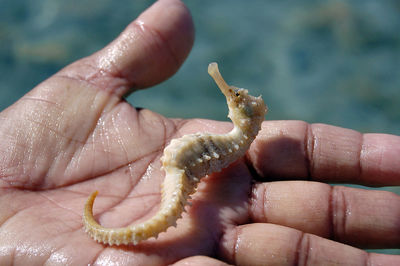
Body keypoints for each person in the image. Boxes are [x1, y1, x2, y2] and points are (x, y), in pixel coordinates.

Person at [0, 0, 399, 265]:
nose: (228, 90)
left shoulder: (235, 140)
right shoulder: (234, 140)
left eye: (236, 96)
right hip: (186, 165)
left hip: (186, 165)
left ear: (245, 113)